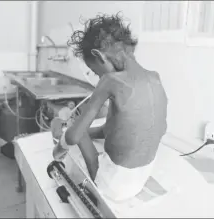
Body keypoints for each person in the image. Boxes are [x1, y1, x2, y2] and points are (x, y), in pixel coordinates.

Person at [52, 12, 168, 209]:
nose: (99, 78)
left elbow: (74, 138)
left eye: (97, 72)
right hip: (141, 178)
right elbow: (130, 128)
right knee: (100, 126)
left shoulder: (111, 81)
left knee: (72, 127)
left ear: (99, 55)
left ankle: (59, 138)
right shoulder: (154, 78)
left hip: (113, 186)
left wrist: (60, 147)